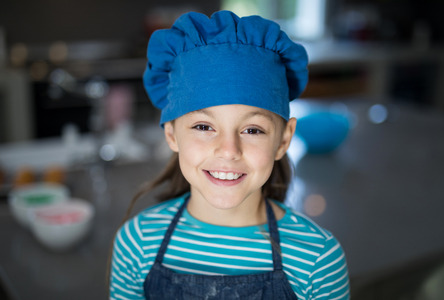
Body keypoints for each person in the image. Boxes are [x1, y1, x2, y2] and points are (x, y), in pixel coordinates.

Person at [109, 10, 350, 300]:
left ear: (283, 139)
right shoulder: (138, 243)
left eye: (252, 130)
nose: (228, 150)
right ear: (172, 134)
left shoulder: (317, 260)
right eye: (203, 126)